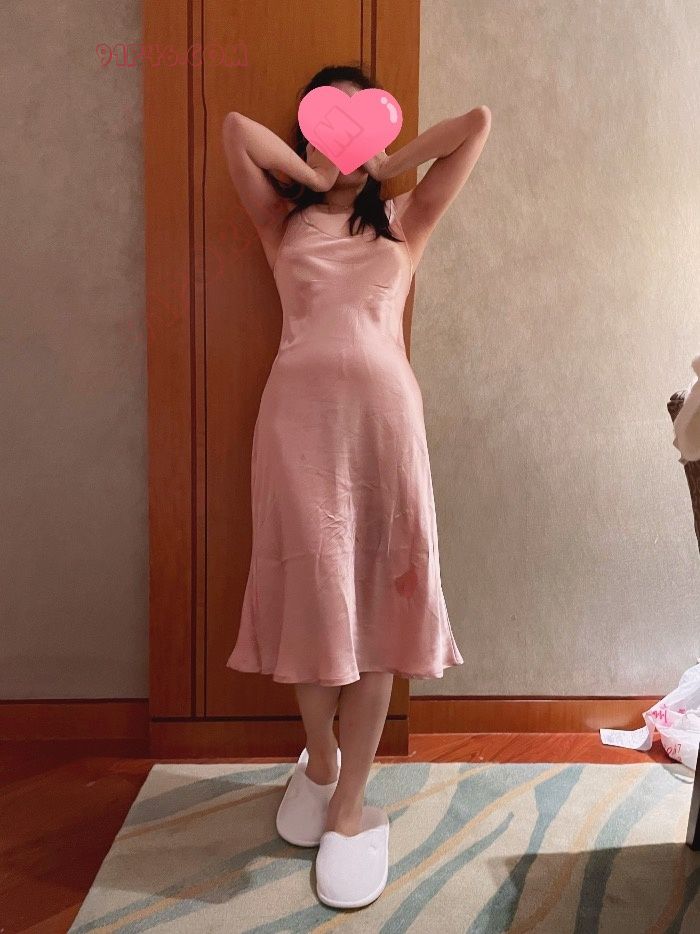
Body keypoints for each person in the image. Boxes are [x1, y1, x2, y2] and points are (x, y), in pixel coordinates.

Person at [222, 64, 491, 908]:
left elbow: (476, 123)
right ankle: (323, 759)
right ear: (305, 136)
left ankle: (348, 801)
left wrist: (388, 164)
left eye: (355, 123)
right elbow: (235, 130)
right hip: (297, 429)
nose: (340, 141)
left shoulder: (407, 220)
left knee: (381, 603)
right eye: (325, 124)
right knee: (313, 598)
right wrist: (315, 174)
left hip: (386, 429)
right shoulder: (282, 221)